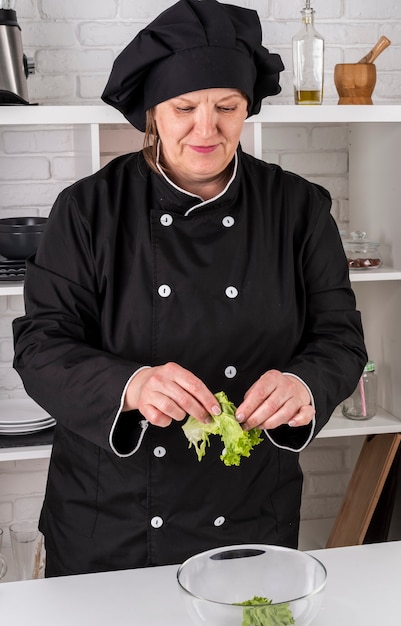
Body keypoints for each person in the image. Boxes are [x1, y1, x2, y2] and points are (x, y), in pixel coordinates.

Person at [13, 0, 367, 577]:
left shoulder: (298, 208)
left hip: (249, 511)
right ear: (152, 113)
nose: (208, 129)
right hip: (112, 520)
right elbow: (39, 346)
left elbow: (341, 339)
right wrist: (130, 385)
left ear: (247, 108)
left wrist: (305, 384)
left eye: (227, 107)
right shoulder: (87, 210)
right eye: (184, 108)